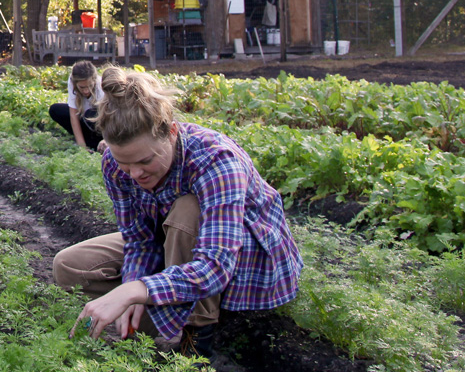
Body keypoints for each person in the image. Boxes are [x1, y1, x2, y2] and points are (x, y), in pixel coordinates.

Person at [55, 66, 302, 356]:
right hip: (174, 248)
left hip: (239, 263)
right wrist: (135, 282)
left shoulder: (217, 160)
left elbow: (215, 266)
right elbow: (139, 239)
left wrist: (136, 290)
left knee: (187, 209)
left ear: (171, 132)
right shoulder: (113, 162)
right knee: (69, 265)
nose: (134, 174)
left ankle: (196, 335)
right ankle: (158, 315)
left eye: (145, 161)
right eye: (126, 163)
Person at [48, 60, 106, 151]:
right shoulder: (71, 81)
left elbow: (109, 119)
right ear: (75, 83)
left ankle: (97, 143)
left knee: (90, 114)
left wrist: (107, 140)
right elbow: (73, 115)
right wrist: (82, 147)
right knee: (55, 110)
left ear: (94, 81)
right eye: (82, 87)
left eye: (89, 86)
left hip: (102, 124)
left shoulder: (101, 86)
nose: (86, 91)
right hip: (85, 119)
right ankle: (86, 142)